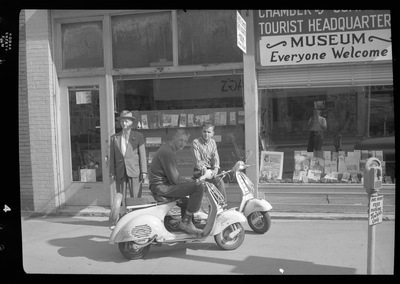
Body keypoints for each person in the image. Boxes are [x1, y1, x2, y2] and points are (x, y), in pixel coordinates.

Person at [148, 129, 205, 235]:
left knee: (187, 201)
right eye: (180, 140)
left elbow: (174, 178)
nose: (182, 143)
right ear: (174, 139)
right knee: (199, 186)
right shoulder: (168, 153)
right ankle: (186, 222)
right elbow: (175, 179)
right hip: (161, 187)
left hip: (159, 186)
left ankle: (188, 224)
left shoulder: (167, 149)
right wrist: (192, 181)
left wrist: (189, 181)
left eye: (185, 141)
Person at [110, 110, 147, 198]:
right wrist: (112, 172)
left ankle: (135, 211)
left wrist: (144, 171)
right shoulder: (114, 138)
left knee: (135, 196)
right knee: (120, 196)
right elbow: (112, 157)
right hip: (120, 170)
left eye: (126, 121)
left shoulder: (138, 136)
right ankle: (122, 211)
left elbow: (142, 154)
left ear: (131, 123)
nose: (124, 123)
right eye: (122, 121)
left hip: (134, 170)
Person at [191, 122, 227, 202]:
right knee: (218, 182)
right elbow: (198, 160)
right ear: (201, 131)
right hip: (199, 172)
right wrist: (204, 168)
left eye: (209, 132)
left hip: (210, 171)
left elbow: (215, 157)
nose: (206, 134)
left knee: (220, 180)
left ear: (212, 133)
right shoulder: (196, 142)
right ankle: (220, 204)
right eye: (204, 131)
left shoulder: (213, 142)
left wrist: (215, 169)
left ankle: (220, 204)